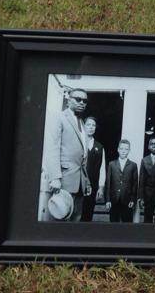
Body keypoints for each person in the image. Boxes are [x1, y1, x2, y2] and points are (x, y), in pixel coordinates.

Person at [41, 88, 92, 222]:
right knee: (60, 221)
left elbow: (83, 155)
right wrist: (55, 178)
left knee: (75, 221)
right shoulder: (59, 117)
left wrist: (86, 181)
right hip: (64, 180)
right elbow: (52, 148)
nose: (82, 103)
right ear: (68, 100)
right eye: (78, 99)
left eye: (85, 101)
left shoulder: (81, 123)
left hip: (79, 183)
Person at [80, 116, 107, 222]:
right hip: (79, 184)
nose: (91, 127)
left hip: (93, 186)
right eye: (88, 124)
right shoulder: (79, 143)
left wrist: (101, 187)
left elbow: (102, 168)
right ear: (84, 126)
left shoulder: (99, 147)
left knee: (88, 214)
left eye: (93, 125)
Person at [107, 139, 138, 222]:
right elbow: (108, 183)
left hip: (127, 200)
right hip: (114, 199)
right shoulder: (111, 164)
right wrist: (108, 200)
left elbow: (135, 184)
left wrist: (132, 199)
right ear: (118, 149)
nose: (123, 151)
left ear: (129, 151)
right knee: (113, 222)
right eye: (121, 149)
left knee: (127, 223)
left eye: (126, 149)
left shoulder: (133, 165)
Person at [138, 136, 155, 223]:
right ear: (148, 146)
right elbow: (141, 179)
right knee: (147, 216)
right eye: (151, 144)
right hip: (148, 193)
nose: (153, 146)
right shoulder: (144, 160)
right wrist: (141, 197)